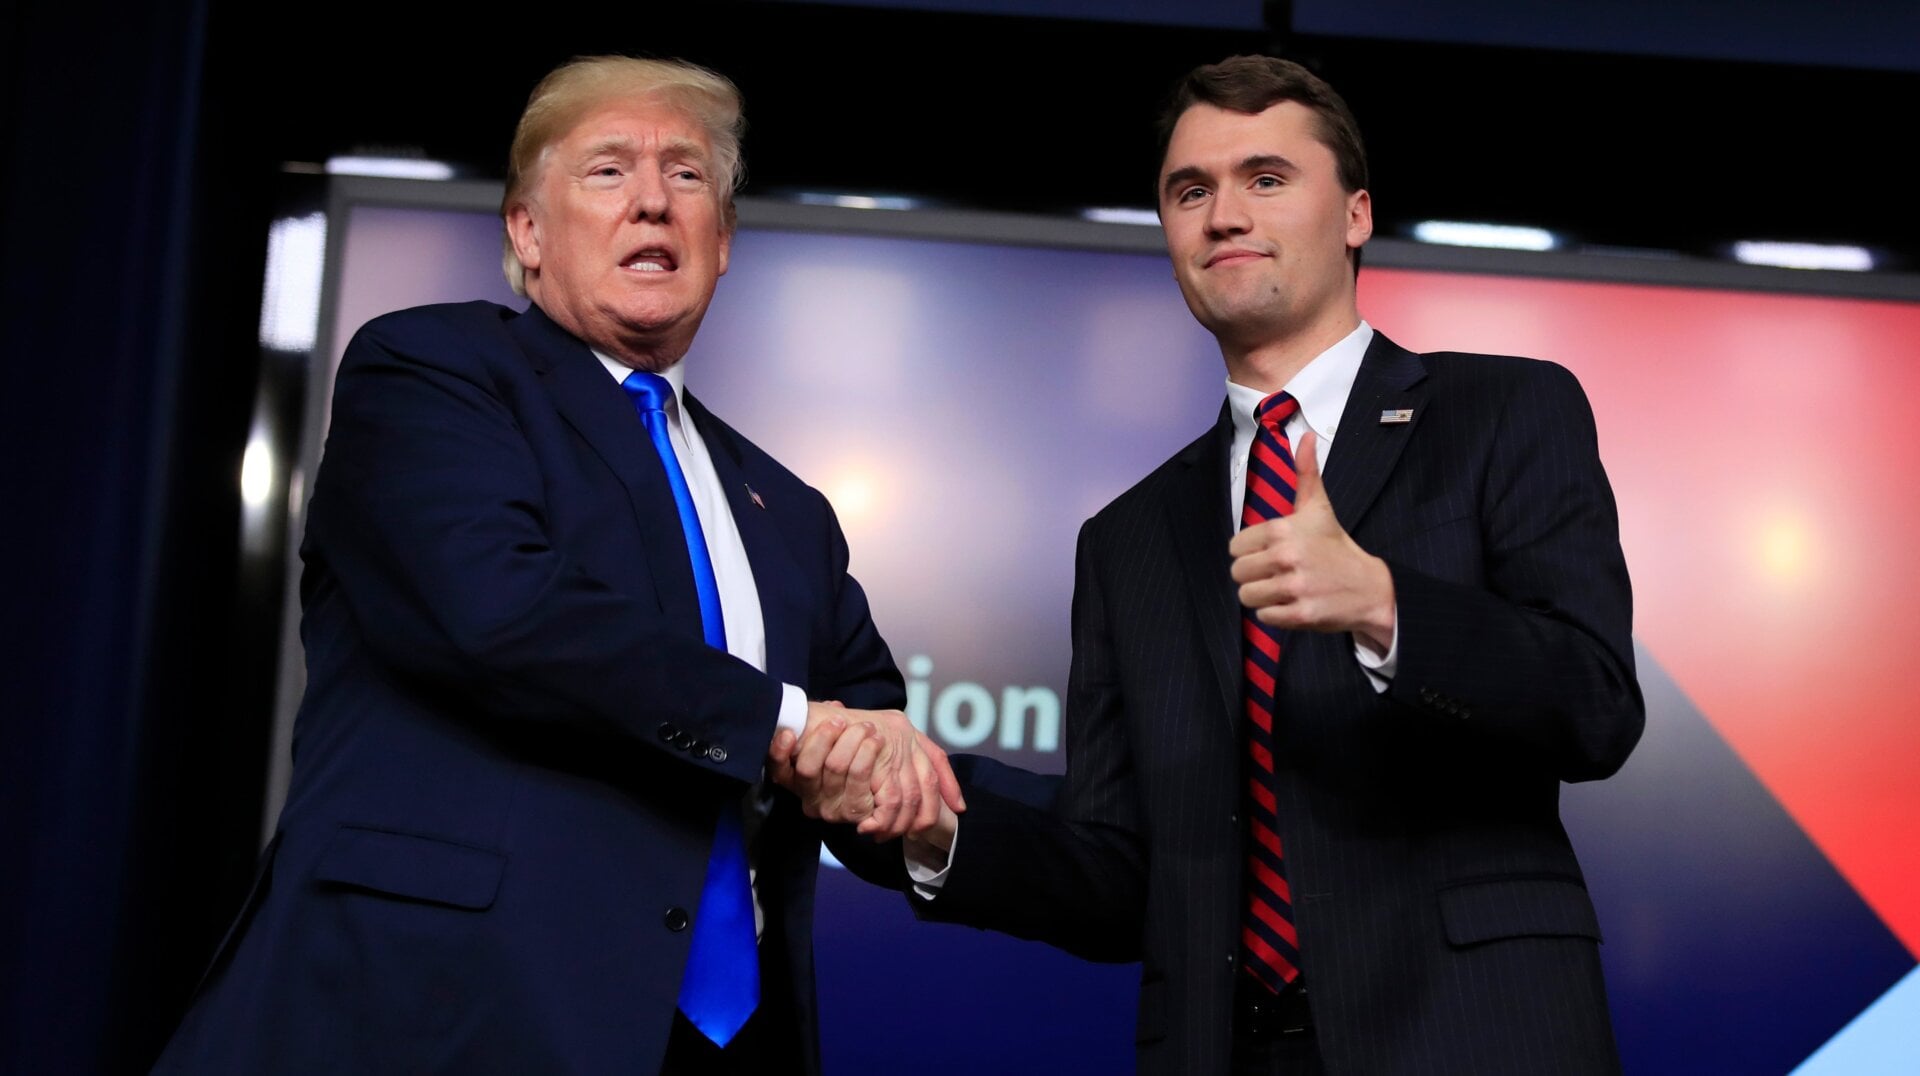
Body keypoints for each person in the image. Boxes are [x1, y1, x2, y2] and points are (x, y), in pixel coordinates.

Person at [778, 54, 1644, 1075]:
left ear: (1357, 213)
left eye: (1266, 178)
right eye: (1191, 191)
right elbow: (1115, 867)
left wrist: (1385, 605)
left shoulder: (1504, 412)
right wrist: (925, 819)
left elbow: (1594, 703)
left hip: (1477, 1035)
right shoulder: (1129, 538)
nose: (1223, 213)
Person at [151, 55, 958, 1076]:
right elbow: (501, 613)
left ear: (723, 244)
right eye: (609, 171)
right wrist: (788, 721)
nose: (654, 200)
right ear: (526, 234)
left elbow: (875, 730)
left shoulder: (787, 509)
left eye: (688, 175)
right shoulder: (432, 373)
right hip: (437, 1016)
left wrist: (919, 791)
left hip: (719, 1039)